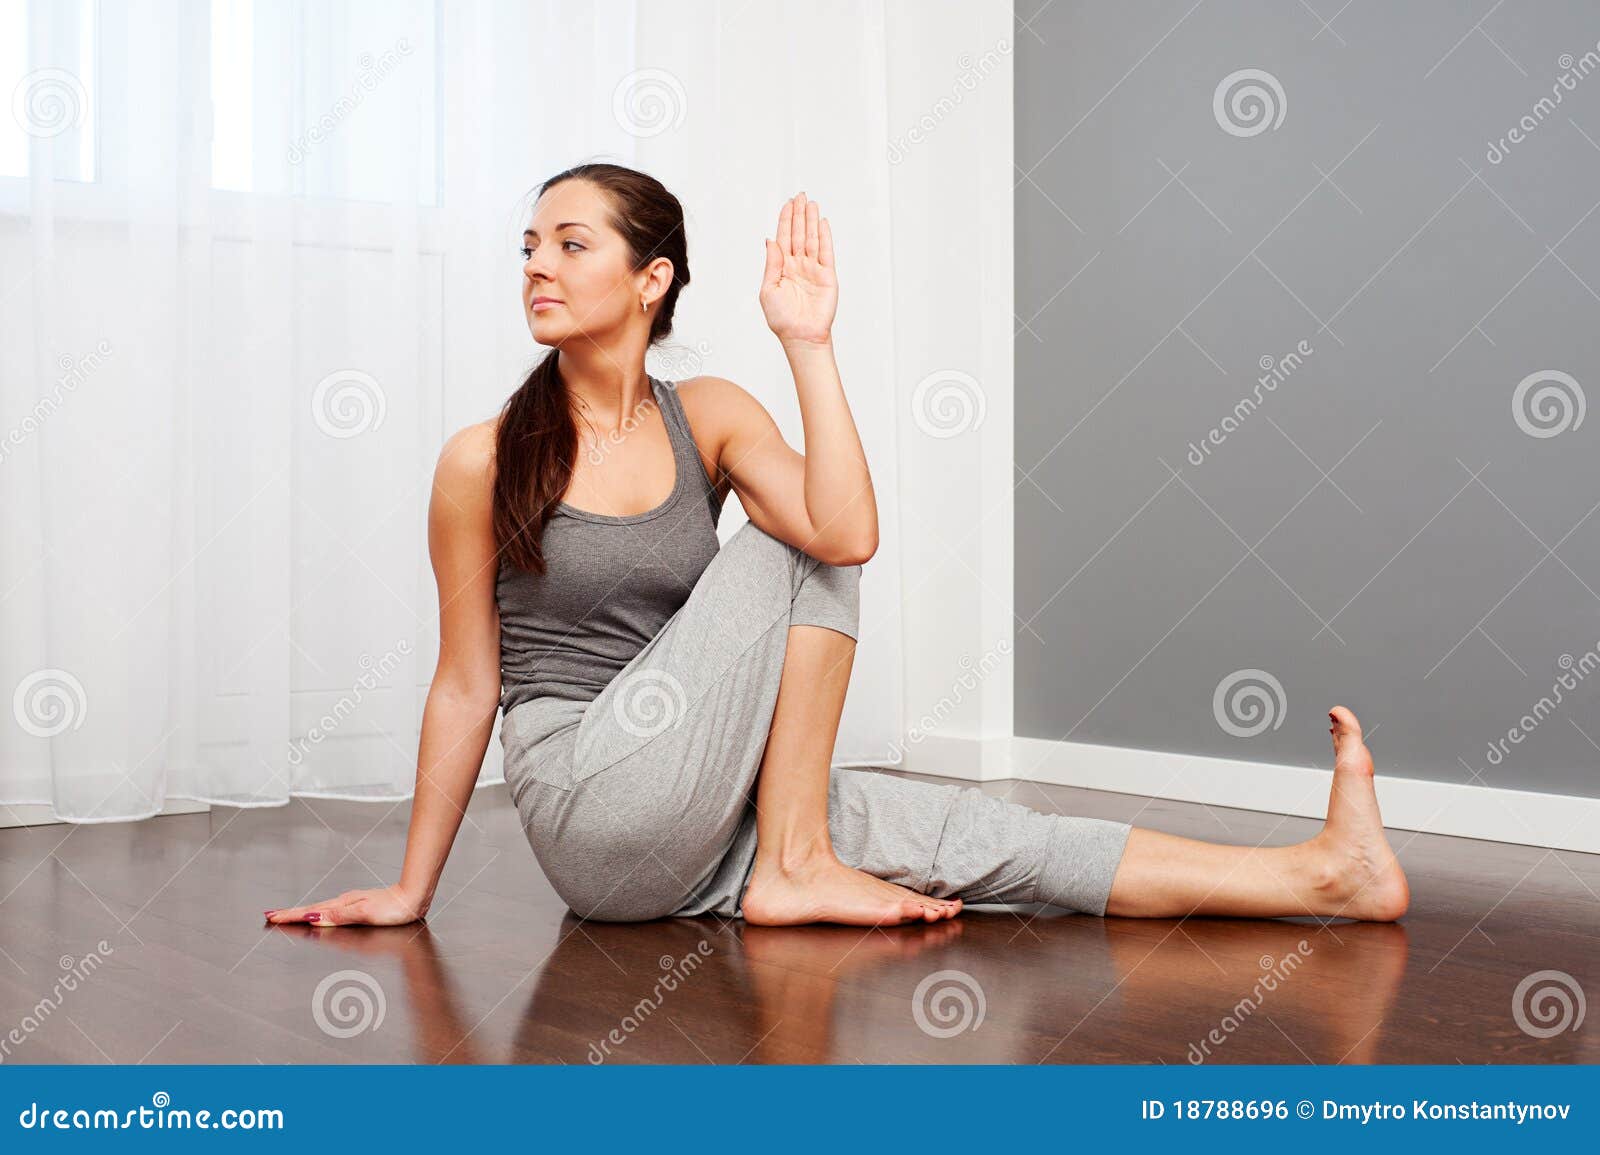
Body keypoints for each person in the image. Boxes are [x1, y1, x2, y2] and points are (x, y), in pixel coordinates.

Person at [265, 164, 1410, 931]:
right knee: (793, 544)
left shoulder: (705, 411)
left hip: (699, 798)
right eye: (529, 247)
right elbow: (468, 685)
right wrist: (413, 891)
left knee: (974, 834)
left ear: (650, 278)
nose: (537, 267)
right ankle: (797, 864)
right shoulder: (481, 458)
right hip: (586, 803)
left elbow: (849, 528)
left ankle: (1323, 875)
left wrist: (808, 343)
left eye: (570, 244)